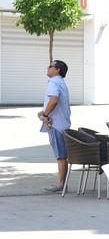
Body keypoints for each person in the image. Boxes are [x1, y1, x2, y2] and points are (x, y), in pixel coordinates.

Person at [38, 60, 71, 193]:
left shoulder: (54, 82)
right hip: (62, 123)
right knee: (62, 155)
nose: (48, 67)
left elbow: (54, 100)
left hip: (56, 124)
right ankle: (62, 183)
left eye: (50, 66)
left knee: (61, 156)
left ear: (57, 70)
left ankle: (61, 184)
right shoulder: (60, 83)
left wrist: (45, 114)